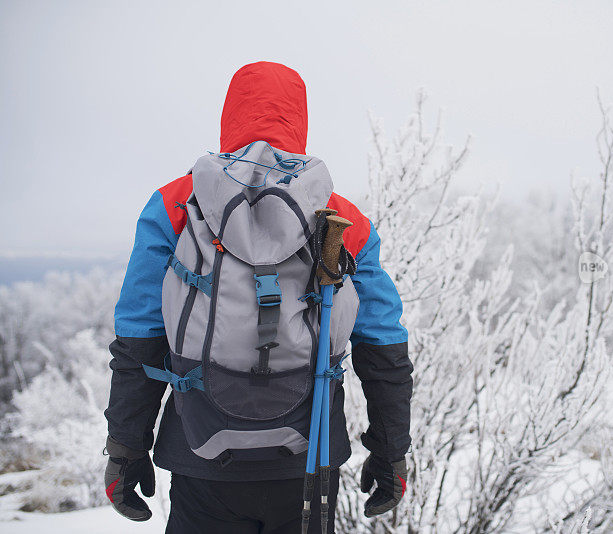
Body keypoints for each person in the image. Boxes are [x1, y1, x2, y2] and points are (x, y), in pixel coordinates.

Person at [103, 61, 413, 534]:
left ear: (229, 116)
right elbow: (382, 343)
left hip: (199, 451)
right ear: (300, 120)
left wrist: (126, 446)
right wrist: (391, 450)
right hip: (308, 458)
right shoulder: (340, 217)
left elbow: (139, 333)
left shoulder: (175, 203)